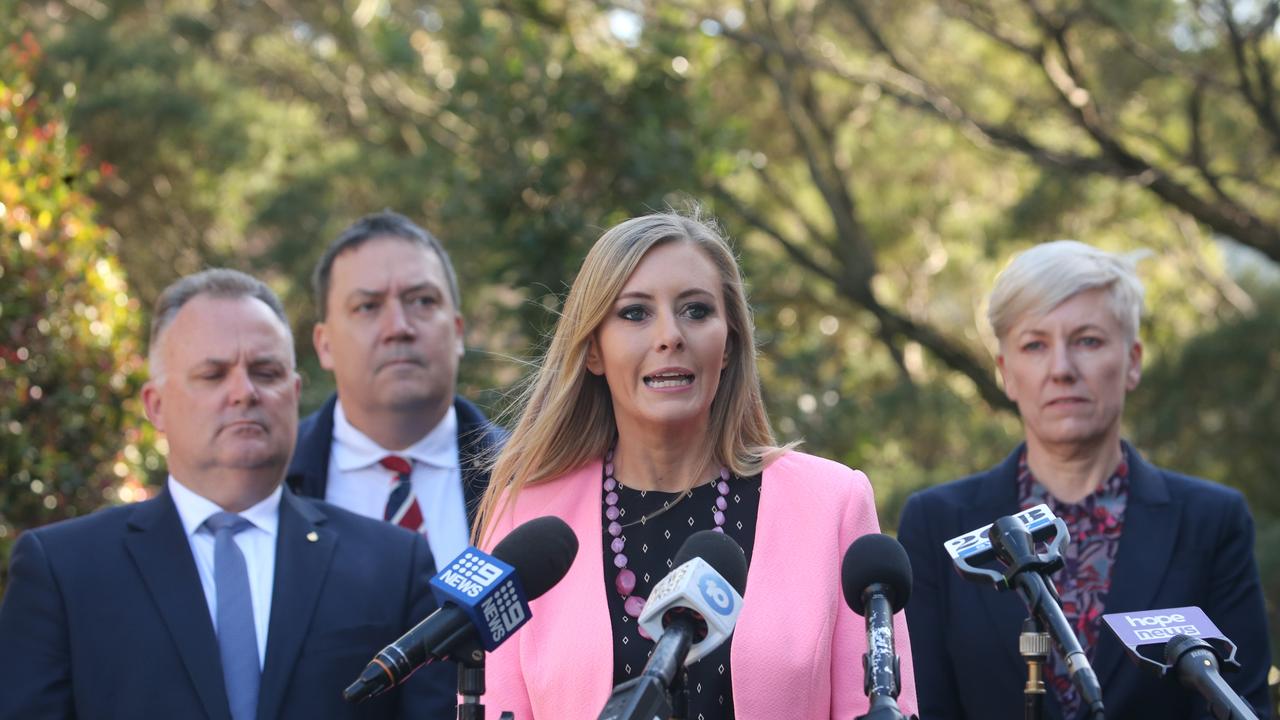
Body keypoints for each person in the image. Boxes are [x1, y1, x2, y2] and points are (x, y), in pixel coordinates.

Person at [473, 209, 917, 720]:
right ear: (593, 349)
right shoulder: (525, 518)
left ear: (729, 343)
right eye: (635, 313)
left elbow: (884, 707)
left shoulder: (831, 504)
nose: (670, 336)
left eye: (696, 311)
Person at [0, 269, 455, 720]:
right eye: (213, 374)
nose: (244, 392)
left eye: (266, 371)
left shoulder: (393, 564)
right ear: (155, 406)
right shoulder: (65, 570)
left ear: (294, 394)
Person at [898, 241, 1273, 719]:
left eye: (1088, 341)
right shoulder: (937, 525)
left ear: (1133, 361)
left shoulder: (1212, 522)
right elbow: (923, 706)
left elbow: (1244, 702)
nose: (1061, 370)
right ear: (1006, 373)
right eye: (1035, 345)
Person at [288, 211, 505, 573]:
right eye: (367, 307)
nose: (398, 327)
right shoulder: (274, 485)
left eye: (422, 301)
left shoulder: (532, 473)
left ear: (458, 332)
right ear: (324, 345)